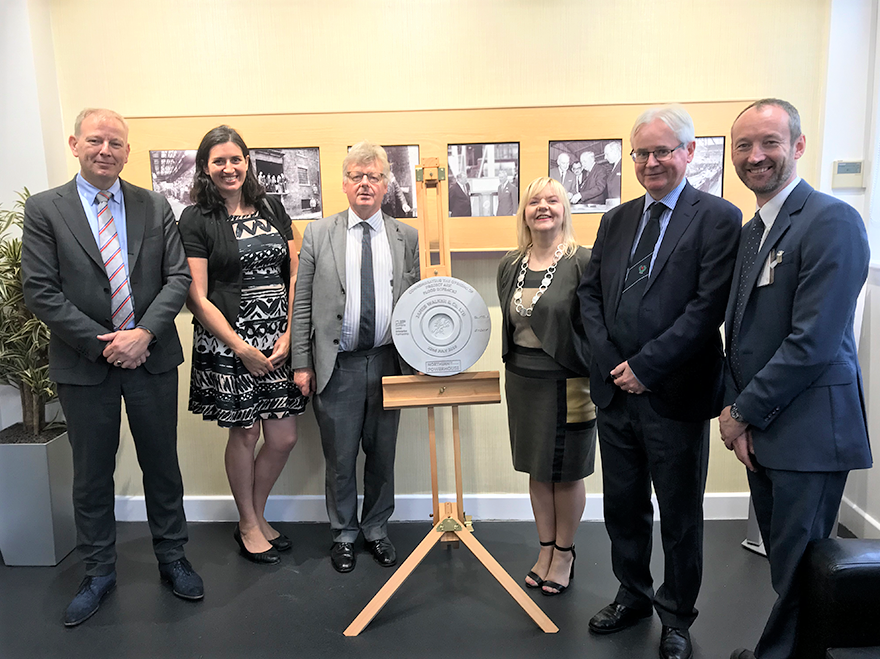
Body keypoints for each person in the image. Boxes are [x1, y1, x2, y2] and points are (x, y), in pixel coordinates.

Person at [21, 108, 203, 626]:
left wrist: (143, 334)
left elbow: (176, 277)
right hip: (84, 362)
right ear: (75, 143)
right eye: (96, 140)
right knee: (91, 473)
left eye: (116, 143)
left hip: (151, 357)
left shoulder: (155, 204)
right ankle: (98, 571)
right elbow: (40, 290)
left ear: (127, 151)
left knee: (162, 464)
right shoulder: (45, 208)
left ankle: (173, 557)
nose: (106, 150)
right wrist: (105, 345)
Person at [577, 104, 741, 659]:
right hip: (615, 393)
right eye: (641, 153)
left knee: (679, 514)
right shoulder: (616, 219)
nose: (650, 162)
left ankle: (676, 615)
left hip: (674, 393)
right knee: (623, 505)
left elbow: (706, 309)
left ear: (689, 153)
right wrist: (612, 363)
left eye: (662, 151)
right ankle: (632, 594)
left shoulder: (718, 218)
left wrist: (646, 368)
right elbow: (591, 295)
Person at [722, 99, 872, 659]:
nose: (755, 155)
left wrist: (740, 412)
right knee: (786, 565)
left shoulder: (832, 221)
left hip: (809, 432)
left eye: (770, 142)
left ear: (799, 145)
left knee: (804, 569)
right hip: (766, 428)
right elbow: (742, 336)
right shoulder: (752, 232)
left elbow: (812, 344)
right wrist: (742, 417)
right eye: (743, 145)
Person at [178, 126, 308, 565]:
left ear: (247, 162)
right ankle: (249, 524)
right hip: (229, 342)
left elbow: (295, 273)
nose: (229, 168)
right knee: (246, 431)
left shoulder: (272, 206)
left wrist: (289, 332)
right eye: (219, 161)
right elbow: (197, 297)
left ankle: (256, 513)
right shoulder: (195, 218)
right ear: (206, 167)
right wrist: (241, 348)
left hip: (278, 340)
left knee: (283, 437)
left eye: (236, 159)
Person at [292, 141, 420, 573]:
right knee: (340, 458)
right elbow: (302, 302)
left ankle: (377, 529)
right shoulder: (318, 233)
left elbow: (415, 302)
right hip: (338, 365)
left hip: (387, 363)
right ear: (344, 184)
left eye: (374, 176)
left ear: (386, 185)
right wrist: (302, 363)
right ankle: (344, 534)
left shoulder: (406, 237)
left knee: (382, 456)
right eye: (357, 176)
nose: (365, 183)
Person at [497, 177, 595, 597]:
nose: (543, 207)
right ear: (524, 212)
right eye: (534, 201)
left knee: (566, 472)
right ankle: (545, 549)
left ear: (564, 209)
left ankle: (565, 553)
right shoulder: (510, 264)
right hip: (523, 379)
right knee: (537, 468)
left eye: (552, 200)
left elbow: (597, 325)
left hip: (569, 381)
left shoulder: (583, 261)